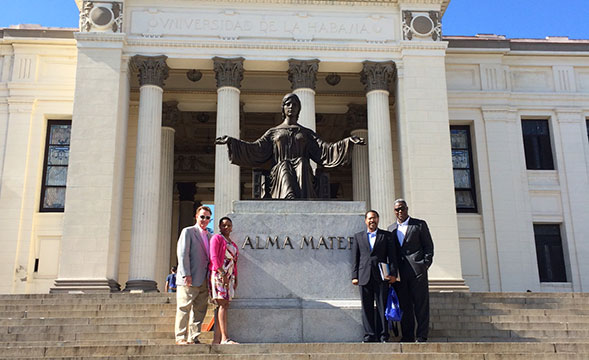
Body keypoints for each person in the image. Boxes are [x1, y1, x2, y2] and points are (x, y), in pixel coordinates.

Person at [215, 93, 365, 199]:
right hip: (279, 174)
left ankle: (299, 199)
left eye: (294, 104)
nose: (291, 107)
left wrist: (348, 142)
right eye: (288, 104)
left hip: (303, 172)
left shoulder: (306, 133)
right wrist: (232, 142)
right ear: (283, 108)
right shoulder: (274, 132)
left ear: (299, 108)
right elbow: (256, 149)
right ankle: (289, 198)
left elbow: (325, 149)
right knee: (284, 165)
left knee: (301, 163)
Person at [387, 199, 434, 343]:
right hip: (400, 274)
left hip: (417, 271)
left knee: (421, 305)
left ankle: (421, 335)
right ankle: (408, 336)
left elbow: (428, 247)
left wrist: (424, 264)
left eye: (402, 208)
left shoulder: (419, 225)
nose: (400, 212)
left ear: (407, 209)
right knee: (405, 306)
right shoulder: (391, 229)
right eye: (397, 210)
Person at [352, 210, 398, 343]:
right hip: (364, 276)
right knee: (366, 308)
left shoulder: (387, 236)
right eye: (370, 218)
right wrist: (355, 276)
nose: (372, 221)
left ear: (378, 220)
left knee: (382, 306)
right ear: (366, 221)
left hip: (382, 276)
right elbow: (355, 258)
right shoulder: (358, 237)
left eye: (375, 218)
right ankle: (369, 335)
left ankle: (383, 335)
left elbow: (392, 257)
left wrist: (393, 274)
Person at [174, 206, 212, 345]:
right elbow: (183, 254)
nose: (204, 220)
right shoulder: (188, 232)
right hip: (189, 278)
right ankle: (180, 337)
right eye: (202, 216)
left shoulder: (209, 235)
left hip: (203, 279)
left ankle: (193, 336)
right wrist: (186, 274)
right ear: (196, 217)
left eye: (208, 217)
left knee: (200, 309)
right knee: (184, 308)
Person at [209, 216, 239, 344]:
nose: (226, 227)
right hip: (219, 274)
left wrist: (235, 277)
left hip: (230, 275)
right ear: (220, 227)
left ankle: (217, 339)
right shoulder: (216, 238)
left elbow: (234, 261)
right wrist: (222, 274)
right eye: (224, 225)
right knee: (222, 304)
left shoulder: (232, 244)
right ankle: (224, 338)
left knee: (225, 305)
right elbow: (214, 256)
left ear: (232, 227)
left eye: (228, 225)